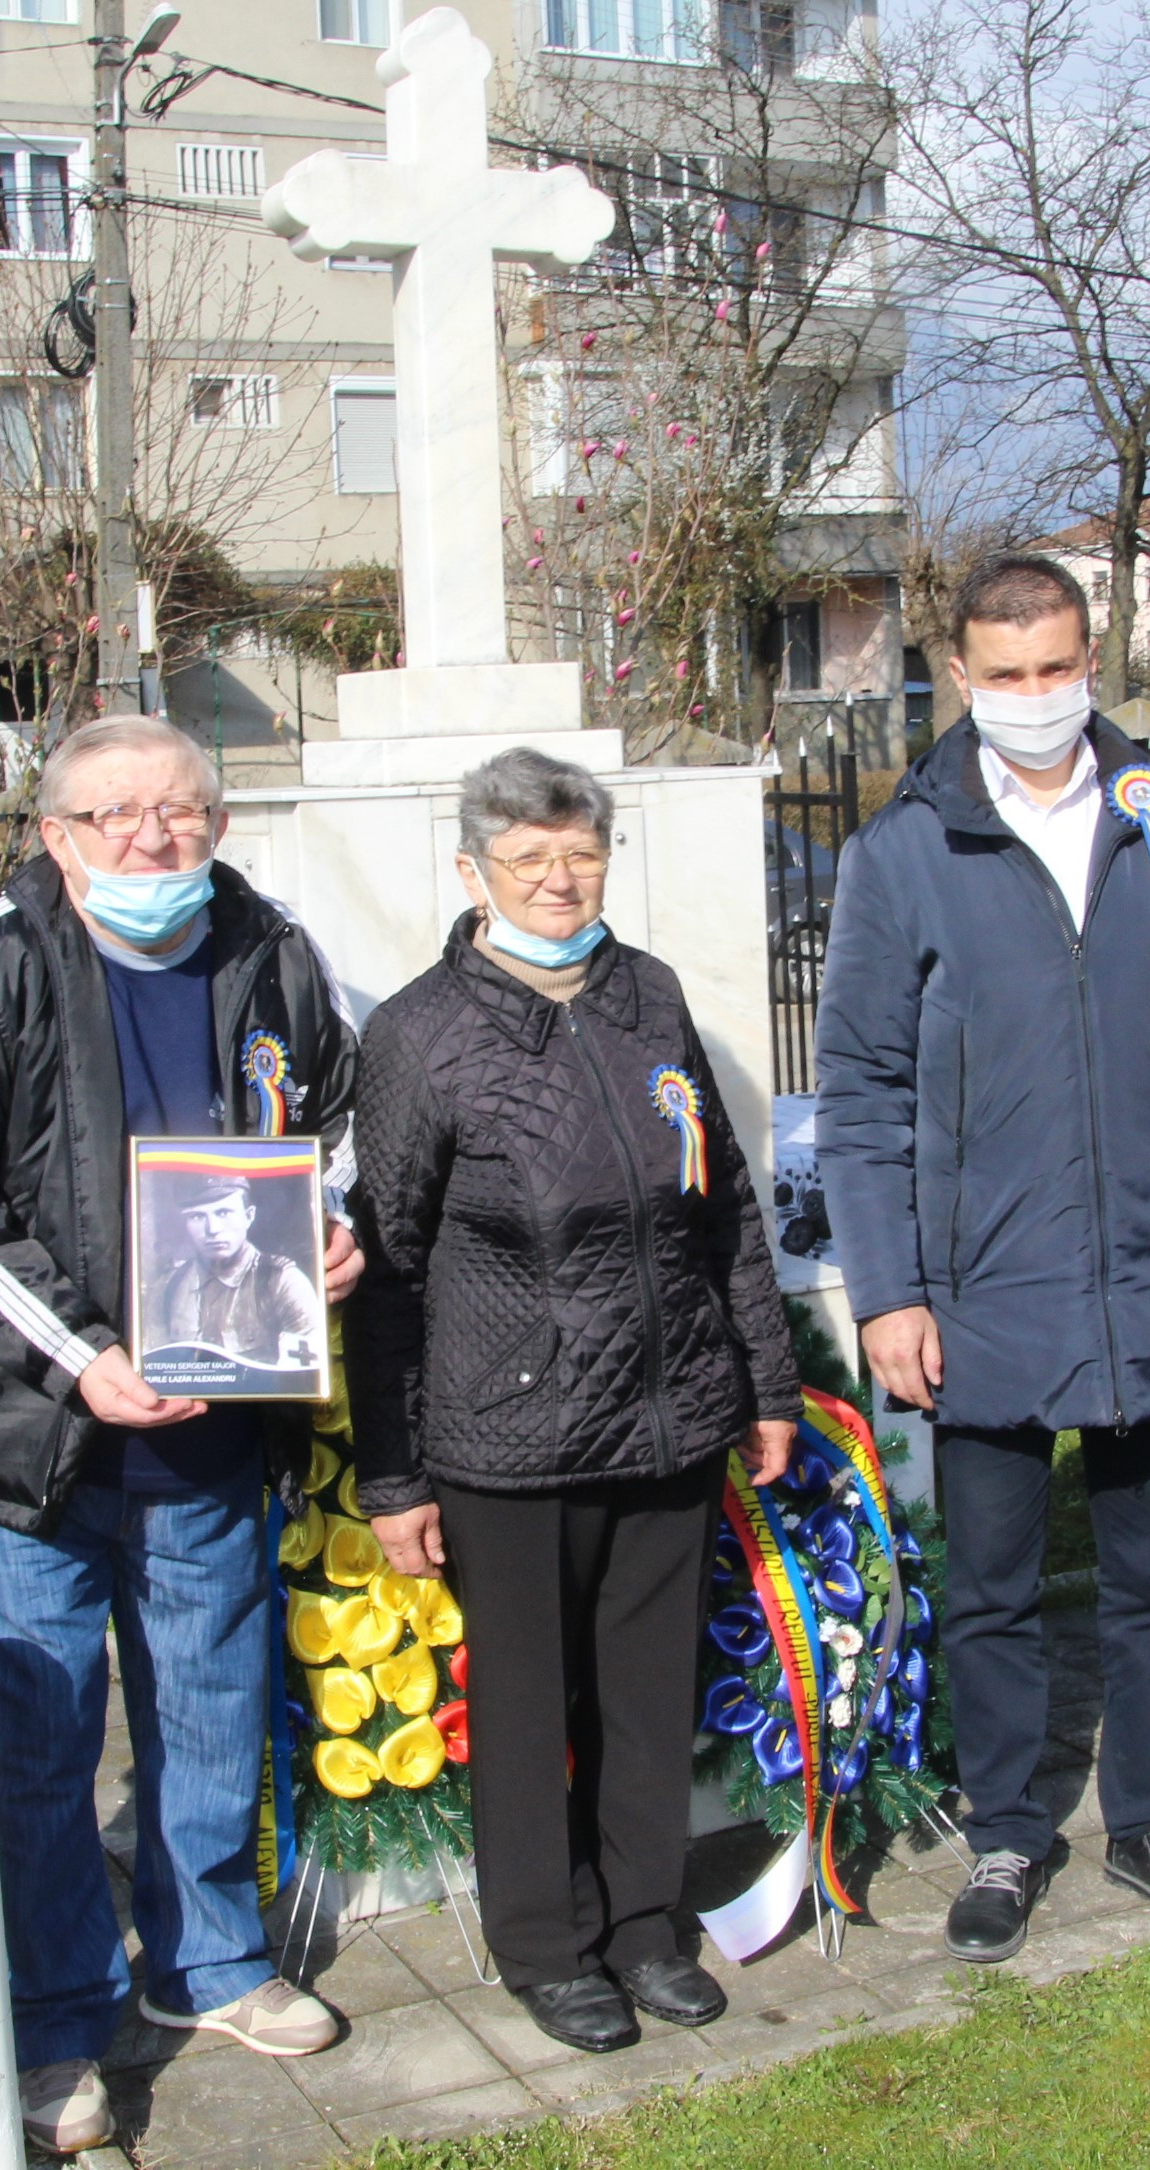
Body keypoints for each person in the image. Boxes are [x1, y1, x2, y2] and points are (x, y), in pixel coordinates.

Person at [0, 717, 358, 2157]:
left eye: (180, 809)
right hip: (32, 1442)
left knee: (209, 1706)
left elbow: (337, 1120)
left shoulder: (270, 951)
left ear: (216, 821)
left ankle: (206, 1958)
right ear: (54, 834)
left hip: (211, 1430)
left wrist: (332, 1224)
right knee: (34, 1744)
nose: (152, 837)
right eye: (114, 815)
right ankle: (48, 2019)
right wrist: (80, 1355)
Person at [812, 554, 1150, 1966]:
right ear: (960, 677)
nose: (1035, 695)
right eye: (1006, 674)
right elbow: (861, 1093)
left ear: (1092, 661)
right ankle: (1009, 1832)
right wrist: (888, 1291)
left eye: (1057, 667)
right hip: (983, 1285)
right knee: (992, 1588)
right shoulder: (902, 852)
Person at [348, 747, 800, 2056]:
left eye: (580, 853)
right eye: (528, 857)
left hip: (667, 1416)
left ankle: (644, 1922)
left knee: (647, 1694)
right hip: (511, 1434)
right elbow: (387, 1266)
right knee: (530, 1703)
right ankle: (546, 1944)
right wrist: (394, 1472)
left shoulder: (648, 994)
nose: (558, 879)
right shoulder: (419, 1033)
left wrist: (764, 1379)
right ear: (472, 871)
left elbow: (721, 1202)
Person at [150, 1171, 326, 1371]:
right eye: (197, 1216)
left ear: (249, 1216)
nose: (212, 1229)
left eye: (223, 1213)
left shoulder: (283, 1282)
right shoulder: (169, 1287)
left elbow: (307, 1374)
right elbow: (154, 1364)